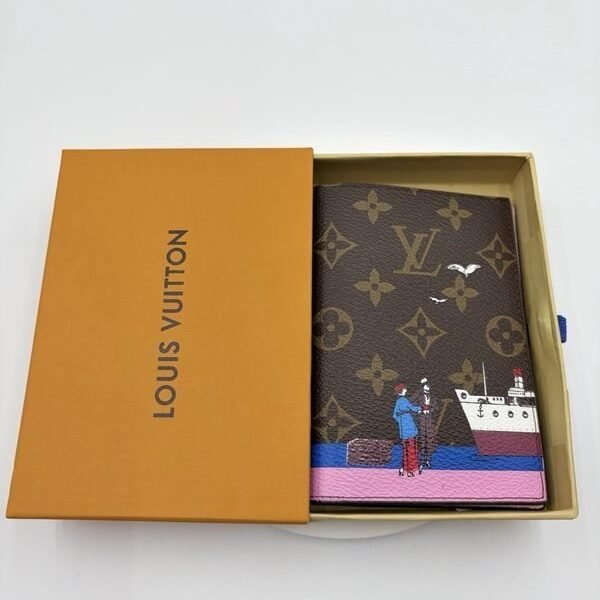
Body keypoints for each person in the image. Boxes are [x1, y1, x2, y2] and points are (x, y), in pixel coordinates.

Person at [392, 383, 421, 476]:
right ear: (402, 390)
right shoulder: (403, 400)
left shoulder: (398, 401)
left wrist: (401, 422)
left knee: (405, 451)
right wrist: (422, 408)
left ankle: (402, 469)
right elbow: (413, 409)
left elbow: (394, 415)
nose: (406, 390)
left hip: (403, 430)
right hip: (409, 429)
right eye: (404, 389)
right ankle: (410, 470)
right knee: (411, 450)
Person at [417, 377, 435, 470]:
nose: (428, 386)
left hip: (429, 420)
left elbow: (435, 407)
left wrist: (430, 409)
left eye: (428, 385)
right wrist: (420, 410)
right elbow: (413, 404)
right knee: (422, 441)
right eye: (426, 385)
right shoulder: (418, 396)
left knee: (429, 441)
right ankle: (421, 462)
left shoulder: (432, 396)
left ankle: (428, 460)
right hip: (421, 419)